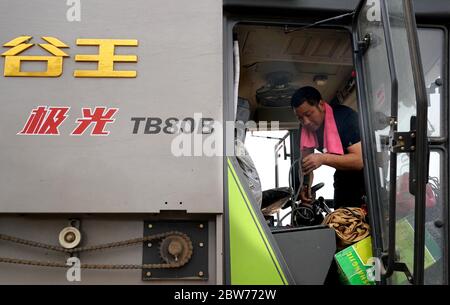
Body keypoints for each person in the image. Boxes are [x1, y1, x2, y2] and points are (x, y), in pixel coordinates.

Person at [291, 86, 365, 208]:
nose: (306, 122)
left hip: (369, 177)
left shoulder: (344, 117)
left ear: (320, 104)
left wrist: (322, 158)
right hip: (343, 176)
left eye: (309, 114)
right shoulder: (304, 129)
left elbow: (359, 160)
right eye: (300, 118)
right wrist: (305, 187)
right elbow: (306, 164)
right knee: (340, 220)